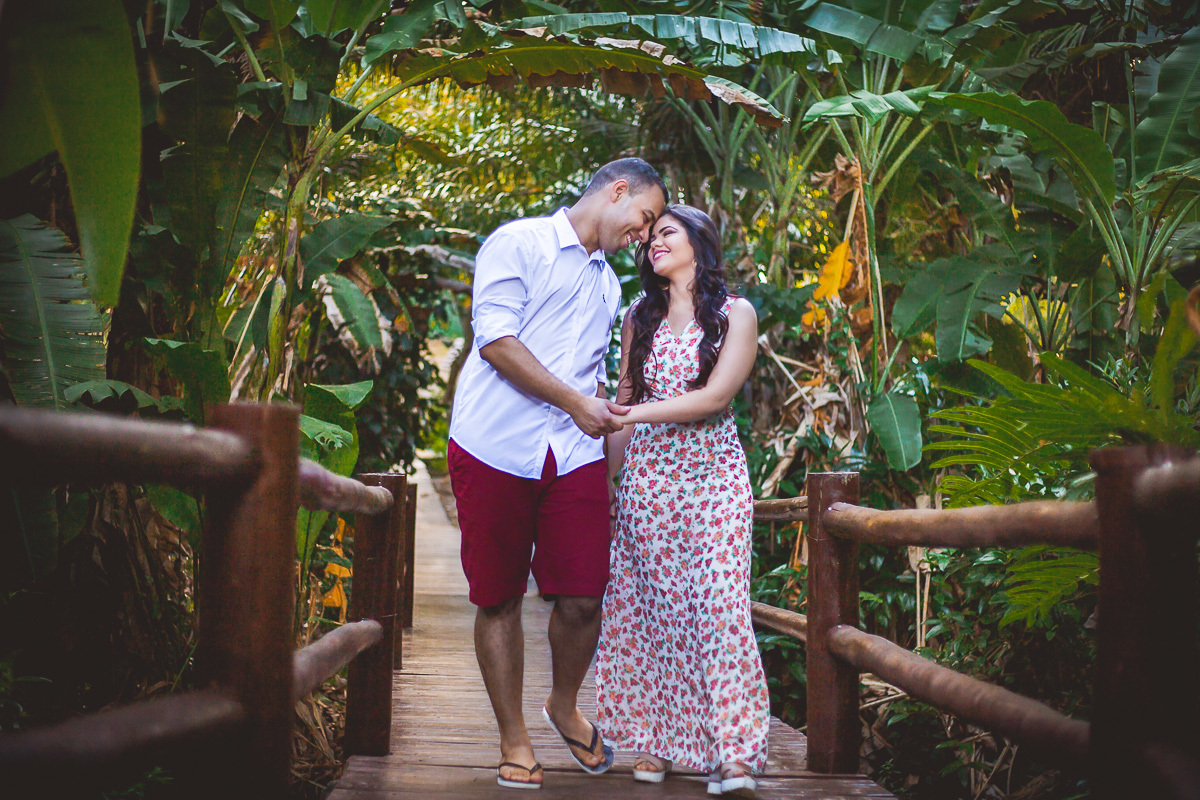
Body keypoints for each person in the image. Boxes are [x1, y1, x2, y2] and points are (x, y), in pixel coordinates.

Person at [447, 158, 669, 790]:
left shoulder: (608, 286)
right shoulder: (519, 243)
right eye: (644, 218)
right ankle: (513, 738)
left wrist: (612, 435)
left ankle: (564, 704)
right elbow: (496, 341)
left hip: (573, 453)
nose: (643, 236)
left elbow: (590, 376)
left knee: (585, 593)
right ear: (617, 190)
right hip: (494, 445)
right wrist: (576, 403)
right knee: (498, 597)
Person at [595, 204, 770, 796]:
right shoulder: (637, 316)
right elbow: (623, 398)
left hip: (714, 478)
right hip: (648, 483)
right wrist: (610, 485)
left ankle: (735, 754)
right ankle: (658, 740)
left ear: (700, 242)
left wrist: (629, 414)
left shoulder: (734, 313)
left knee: (720, 607)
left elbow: (714, 398)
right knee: (655, 611)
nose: (654, 244)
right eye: (650, 238)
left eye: (667, 233)